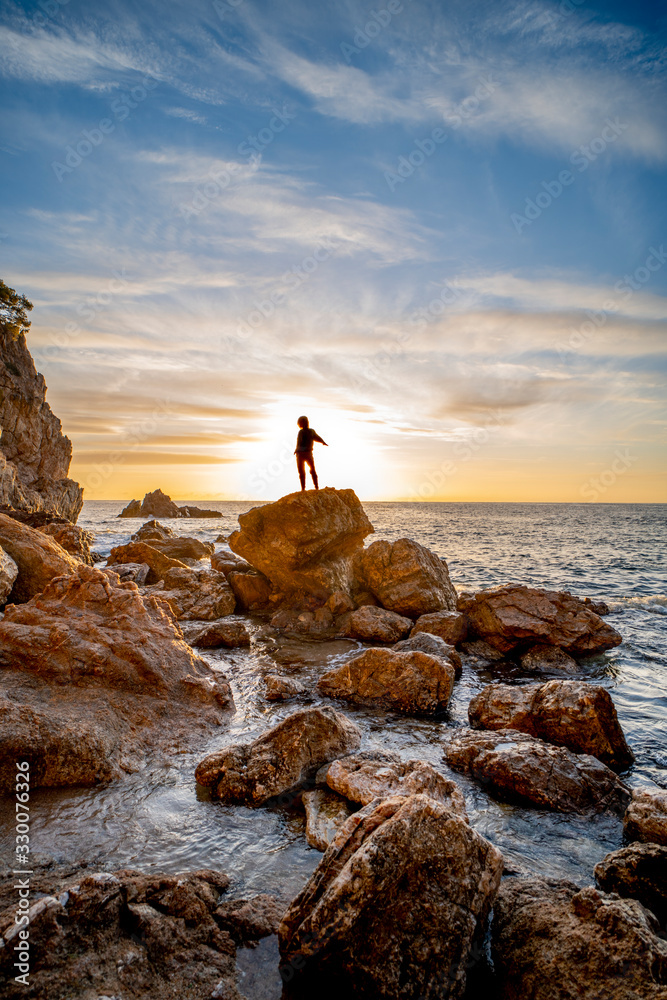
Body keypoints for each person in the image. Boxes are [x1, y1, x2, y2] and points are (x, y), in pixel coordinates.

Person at [294, 415, 327, 490]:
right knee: (307, 471)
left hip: (303, 454)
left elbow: (316, 437)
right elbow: (316, 437)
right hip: (304, 454)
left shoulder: (306, 431)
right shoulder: (307, 431)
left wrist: (323, 441)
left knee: (309, 471)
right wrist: (322, 441)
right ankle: (311, 487)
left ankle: (312, 487)